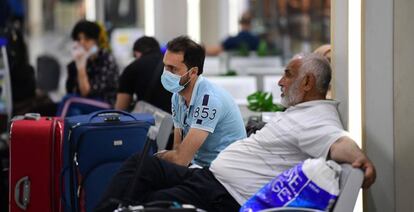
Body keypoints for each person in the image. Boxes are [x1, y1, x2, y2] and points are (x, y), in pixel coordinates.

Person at [95, 53, 376, 212]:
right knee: (141, 165)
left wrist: (361, 160)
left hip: (224, 195)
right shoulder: (301, 113)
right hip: (208, 178)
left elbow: (338, 141)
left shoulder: (316, 120)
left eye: (288, 74)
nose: (280, 81)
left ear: (307, 83)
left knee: (150, 202)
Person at [154, 35, 246, 168]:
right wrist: (171, 157)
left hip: (222, 172)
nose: (166, 73)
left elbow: (180, 159)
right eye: (165, 66)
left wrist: (159, 155)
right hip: (198, 165)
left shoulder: (209, 100)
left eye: (173, 69)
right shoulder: (177, 96)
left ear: (193, 72)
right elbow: (177, 148)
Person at [66, 20, 119, 106]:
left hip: (105, 104)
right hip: (83, 103)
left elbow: (86, 92)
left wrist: (81, 67)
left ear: (96, 41)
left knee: (69, 102)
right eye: (79, 39)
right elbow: (71, 90)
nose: (82, 43)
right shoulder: (76, 63)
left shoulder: (106, 59)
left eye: (87, 39)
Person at [114, 36, 172, 112]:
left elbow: (121, 107)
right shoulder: (171, 64)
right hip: (175, 117)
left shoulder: (132, 67)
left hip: (148, 119)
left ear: (136, 53)